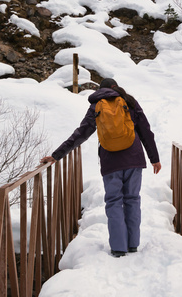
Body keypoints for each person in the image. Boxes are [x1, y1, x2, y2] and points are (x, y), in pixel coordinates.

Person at [41, 78, 161, 258]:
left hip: (111, 161)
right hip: (134, 159)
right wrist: (154, 158)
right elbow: (145, 130)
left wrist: (57, 155)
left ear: (101, 90)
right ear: (116, 87)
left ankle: (119, 247)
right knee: (132, 199)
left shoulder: (96, 105)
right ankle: (133, 244)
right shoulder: (129, 101)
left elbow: (80, 134)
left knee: (114, 202)